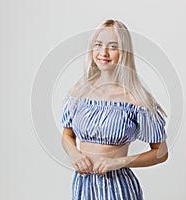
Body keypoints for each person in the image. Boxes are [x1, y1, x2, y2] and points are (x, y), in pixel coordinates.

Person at [61, 19, 168, 200]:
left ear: (124, 52)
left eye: (112, 46)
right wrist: (74, 154)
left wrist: (120, 161)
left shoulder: (136, 99)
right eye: (98, 45)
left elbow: (161, 152)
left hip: (117, 188)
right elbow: (67, 135)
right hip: (82, 186)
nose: (103, 52)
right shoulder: (78, 92)